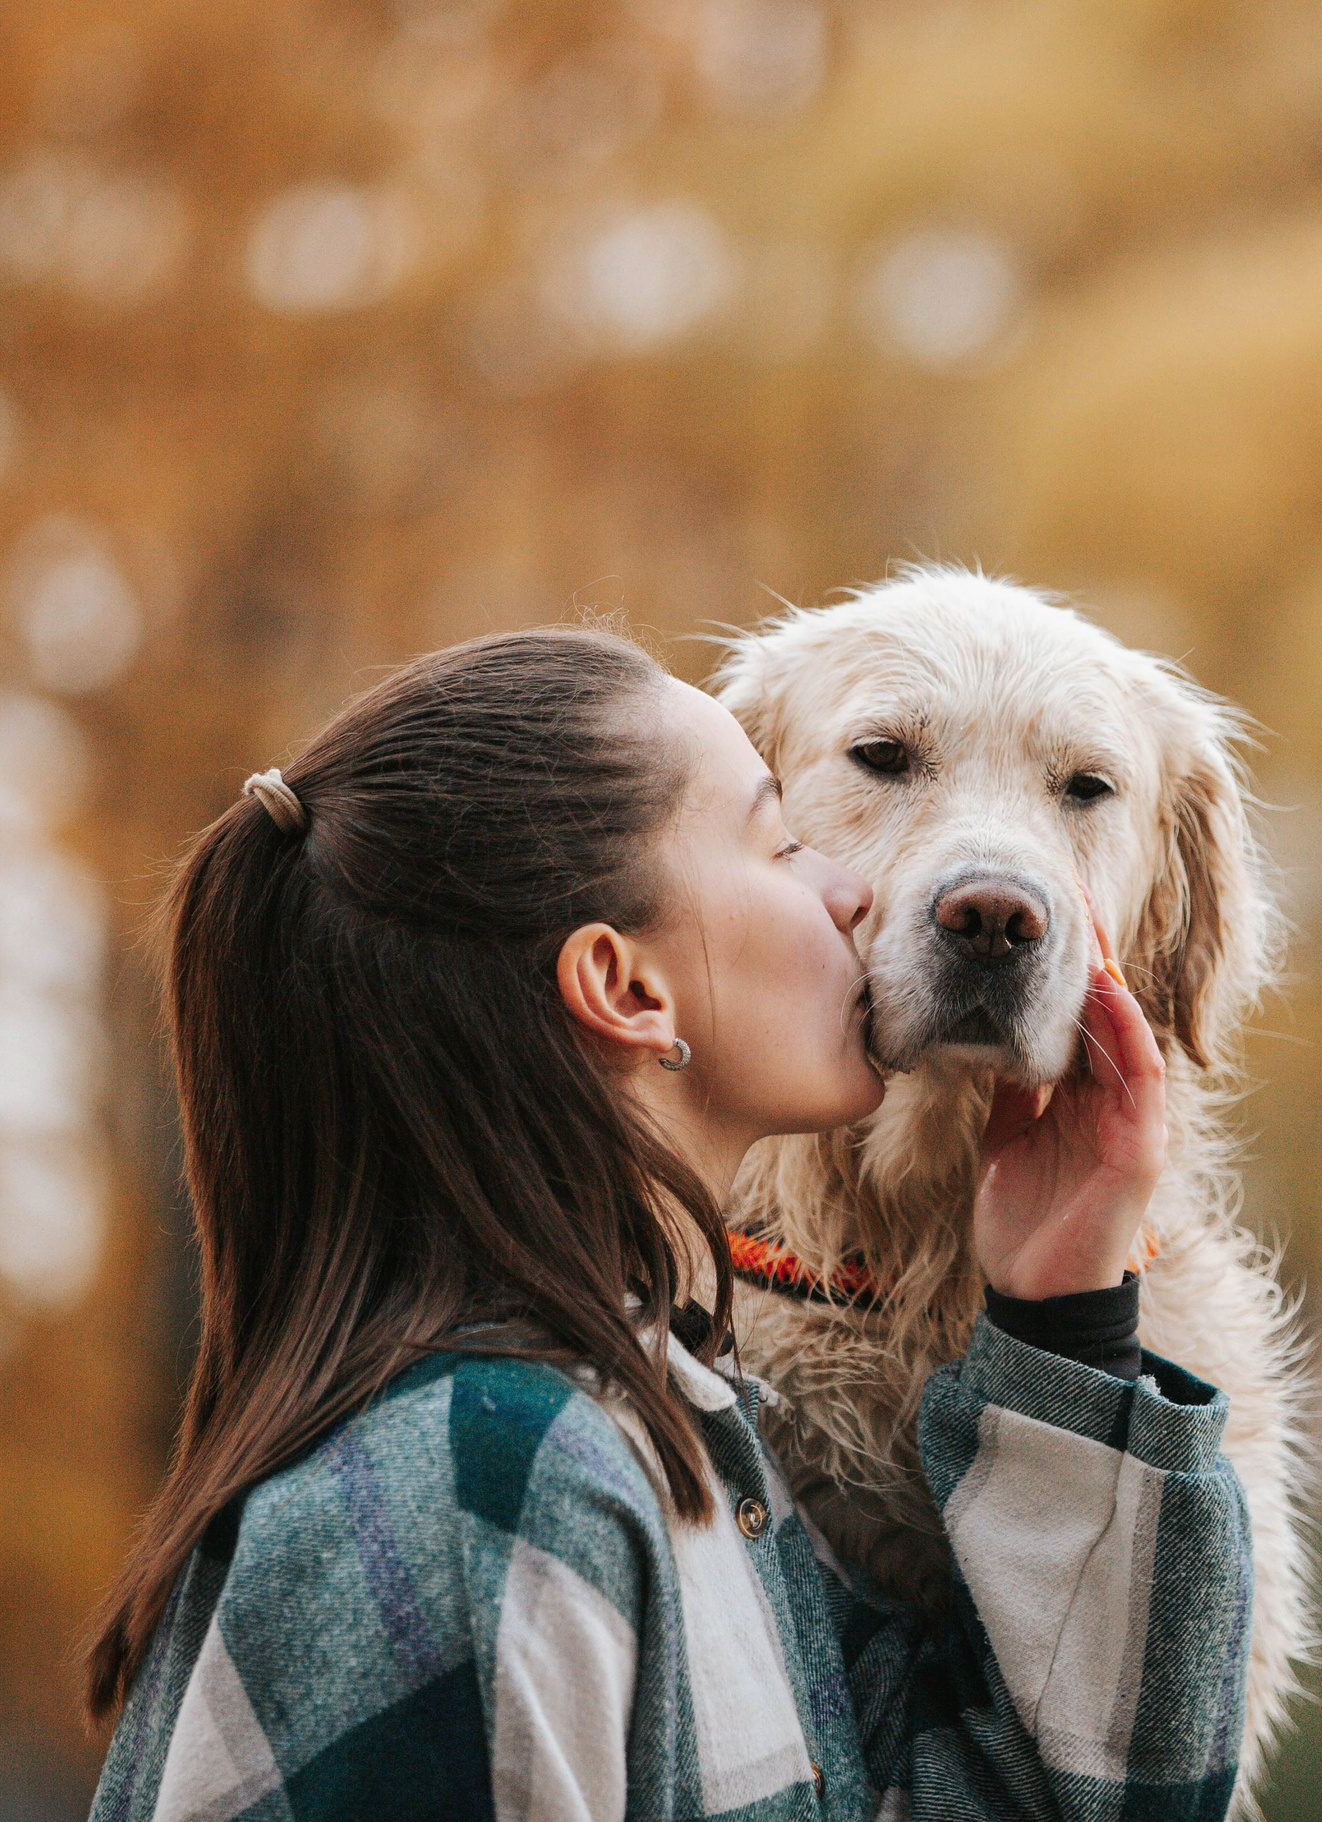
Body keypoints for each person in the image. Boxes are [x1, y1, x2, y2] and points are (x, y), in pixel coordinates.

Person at [82, 626, 1252, 1822]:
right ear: (628, 987)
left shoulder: (663, 1429)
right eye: (781, 840)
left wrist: (1065, 1316)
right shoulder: (486, 1489)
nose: (855, 891)